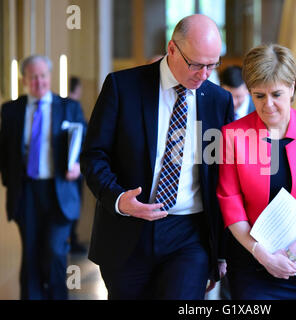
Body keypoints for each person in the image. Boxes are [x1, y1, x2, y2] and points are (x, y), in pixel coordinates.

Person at [80, 14, 234, 300]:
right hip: (128, 230)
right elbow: (93, 155)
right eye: (197, 64)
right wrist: (118, 199)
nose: (204, 75)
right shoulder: (122, 87)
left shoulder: (218, 100)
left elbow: (222, 177)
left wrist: (220, 252)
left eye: (213, 66)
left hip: (189, 234)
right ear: (172, 49)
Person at [216, 44, 296, 300]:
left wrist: (292, 253)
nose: (268, 105)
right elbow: (230, 203)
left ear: (292, 87)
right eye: (259, 96)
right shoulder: (233, 135)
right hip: (252, 263)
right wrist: (262, 255)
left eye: (276, 94)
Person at [0, 55, 86, 299]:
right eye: (33, 77)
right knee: (30, 254)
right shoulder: (11, 110)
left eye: (43, 76)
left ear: (50, 77)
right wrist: (10, 181)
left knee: (55, 250)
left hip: (59, 191)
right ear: (24, 79)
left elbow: (86, 145)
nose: (39, 82)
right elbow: (5, 151)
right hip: (26, 192)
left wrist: (78, 166)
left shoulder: (69, 107)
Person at [67, 76, 88, 255]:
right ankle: (71, 238)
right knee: (73, 204)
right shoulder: (73, 108)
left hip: (76, 167)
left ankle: (71, 238)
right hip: (72, 169)